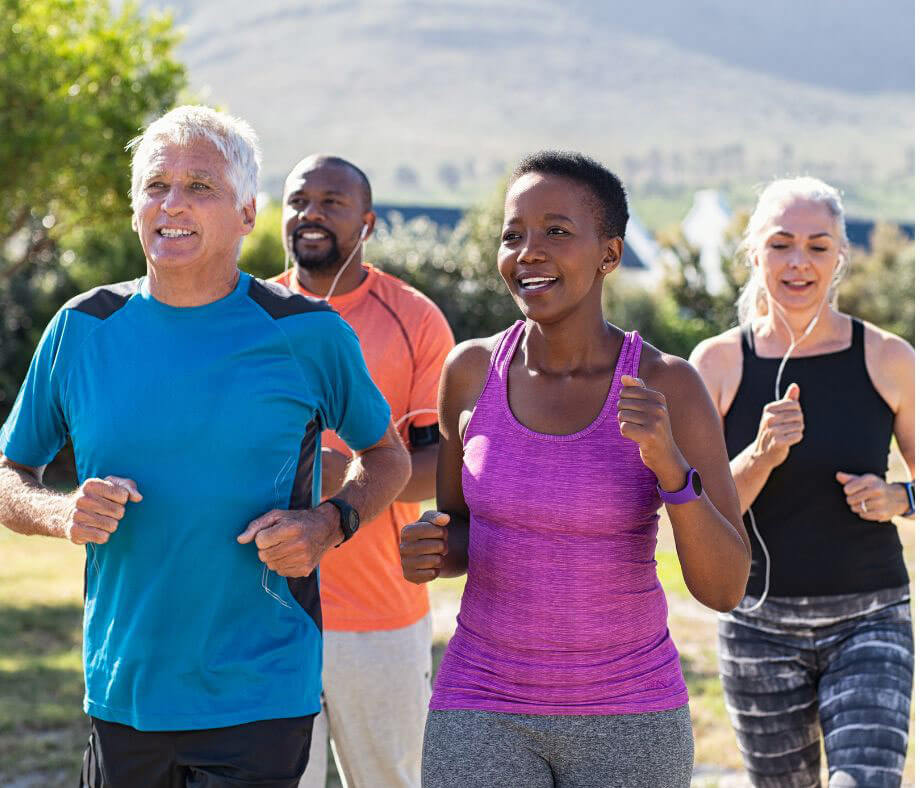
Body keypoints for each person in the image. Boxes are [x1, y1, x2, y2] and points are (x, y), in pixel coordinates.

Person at [0, 106, 410, 788]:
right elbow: (8, 470)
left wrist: (328, 523)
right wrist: (58, 511)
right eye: (156, 185)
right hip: (124, 688)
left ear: (248, 214)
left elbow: (388, 457)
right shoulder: (81, 328)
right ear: (136, 206)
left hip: (262, 688)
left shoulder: (308, 333)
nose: (173, 204)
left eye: (200, 186)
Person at [398, 151, 750, 788]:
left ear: (609, 254)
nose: (528, 251)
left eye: (556, 231)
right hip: (481, 702)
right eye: (513, 235)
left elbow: (725, 588)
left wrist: (670, 467)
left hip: (630, 714)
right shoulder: (469, 372)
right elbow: (459, 535)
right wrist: (431, 545)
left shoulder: (669, 383)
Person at [689, 177, 914, 788]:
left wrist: (902, 496)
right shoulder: (715, 364)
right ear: (754, 252)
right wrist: (761, 454)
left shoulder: (889, 358)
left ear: (840, 257)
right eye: (781, 243)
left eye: (818, 246)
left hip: (871, 618)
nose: (798, 262)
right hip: (757, 625)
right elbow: (695, 513)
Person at [271, 154, 454, 788]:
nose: (311, 214)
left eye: (331, 202)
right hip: (264, 611)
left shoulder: (415, 318)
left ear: (367, 222)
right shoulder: (246, 316)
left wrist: (349, 474)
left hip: (380, 613)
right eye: (299, 201)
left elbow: (444, 467)